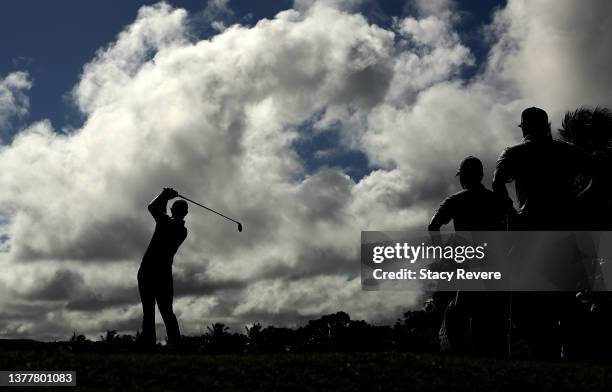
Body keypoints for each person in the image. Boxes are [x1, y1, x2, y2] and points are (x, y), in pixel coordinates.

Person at [492, 107, 592, 359]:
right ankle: (570, 353)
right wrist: (580, 201)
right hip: (566, 226)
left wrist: (512, 214)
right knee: (567, 295)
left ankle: (543, 350)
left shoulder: (513, 153)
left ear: (524, 127)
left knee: (530, 297)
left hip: (530, 228)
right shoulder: (568, 151)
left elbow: (497, 183)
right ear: (546, 125)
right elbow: (598, 175)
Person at [429, 156, 507, 356]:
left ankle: (467, 355)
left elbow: (433, 226)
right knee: (491, 315)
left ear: (463, 177)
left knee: (461, 312)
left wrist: (444, 255)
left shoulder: (455, 200)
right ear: (481, 175)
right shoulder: (496, 200)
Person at [137, 187, 188, 348]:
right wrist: (166, 197)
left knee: (149, 312)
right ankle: (176, 346)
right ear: (185, 214)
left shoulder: (165, 222)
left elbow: (152, 207)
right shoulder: (183, 230)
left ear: (173, 210)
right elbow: (161, 212)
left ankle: (148, 347)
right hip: (164, 274)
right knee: (167, 312)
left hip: (148, 271)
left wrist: (164, 194)